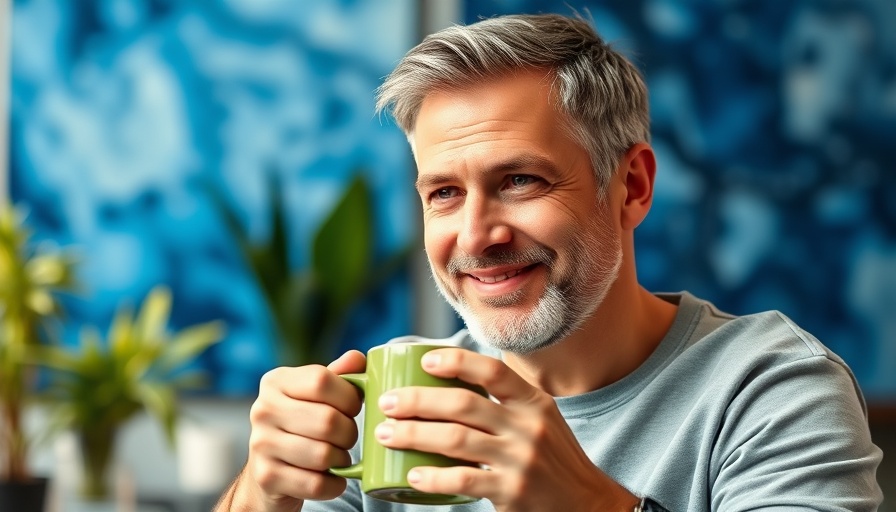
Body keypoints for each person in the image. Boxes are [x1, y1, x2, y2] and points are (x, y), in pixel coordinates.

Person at [214, 13, 883, 512]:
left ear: (632, 187)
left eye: (521, 181)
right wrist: (259, 491)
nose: (476, 234)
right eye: (444, 193)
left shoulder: (772, 388)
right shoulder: (395, 405)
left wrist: (592, 505)